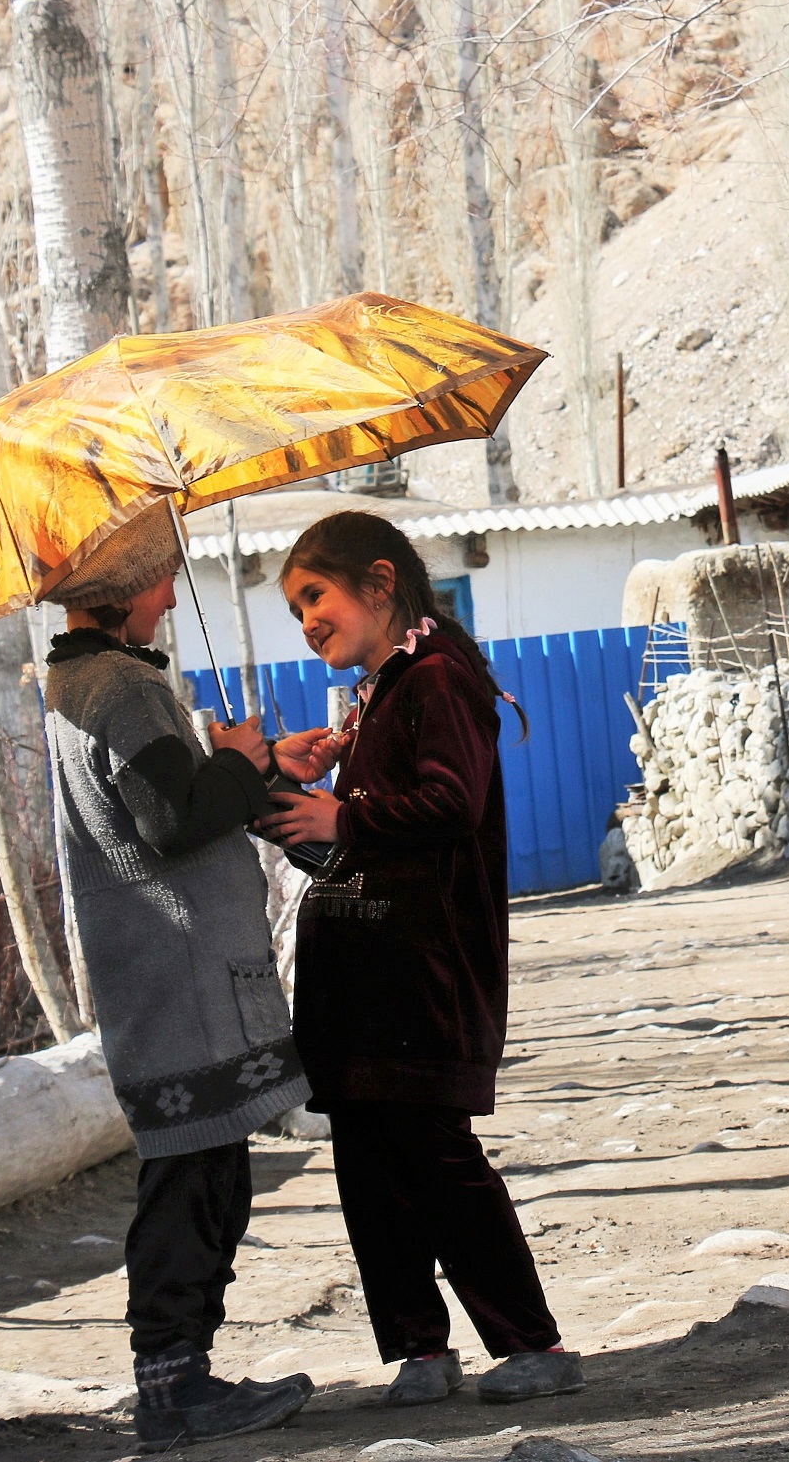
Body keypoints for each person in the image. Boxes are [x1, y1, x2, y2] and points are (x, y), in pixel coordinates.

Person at [257, 510, 582, 1409]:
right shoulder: (382, 689)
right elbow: (361, 838)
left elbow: (450, 801)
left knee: (436, 1156)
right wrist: (294, 798)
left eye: (315, 596)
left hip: (421, 974)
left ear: (378, 582)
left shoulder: (436, 678)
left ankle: (533, 1342)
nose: (307, 621)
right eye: (295, 609)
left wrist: (345, 815)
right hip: (362, 979)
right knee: (369, 1165)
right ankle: (419, 1348)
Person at [43, 509, 333, 1448]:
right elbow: (172, 821)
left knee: (208, 1173)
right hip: (181, 980)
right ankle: (173, 1385)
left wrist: (252, 765)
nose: (171, 595)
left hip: (167, 977)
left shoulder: (87, 681)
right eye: (161, 576)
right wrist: (241, 762)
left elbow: (166, 797)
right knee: (192, 1180)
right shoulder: (121, 688)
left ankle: (186, 1375)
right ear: (123, 588)